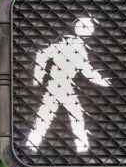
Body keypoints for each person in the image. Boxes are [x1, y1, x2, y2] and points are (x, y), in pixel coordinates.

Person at [25, 15, 111, 153]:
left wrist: (38, 79)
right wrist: (37, 78)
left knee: (52, 115)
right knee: (66, 116)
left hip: (62, 87)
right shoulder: (68, 45)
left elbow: (87, 71)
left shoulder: (74, 47)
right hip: (58, 86)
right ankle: (81, 147)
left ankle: (33, 143)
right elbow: (43, 54)